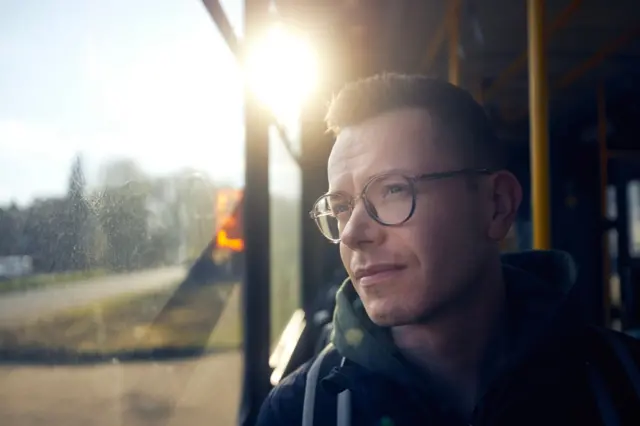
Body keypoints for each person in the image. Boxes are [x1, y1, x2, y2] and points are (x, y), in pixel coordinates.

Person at [256, 73, 640, 426]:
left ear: (497, 206)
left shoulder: (625, 384)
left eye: (393, 190)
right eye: (340, 207)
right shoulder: (297, 412)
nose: (354, 233)